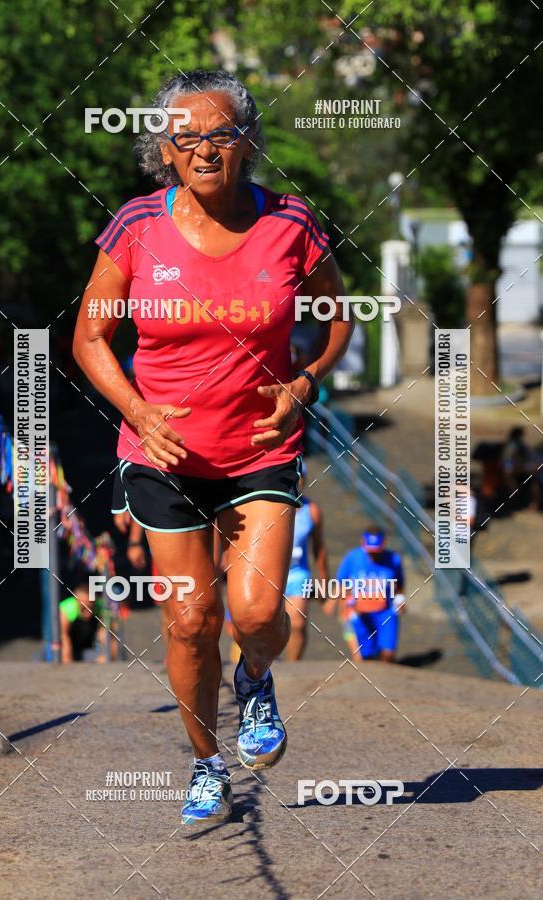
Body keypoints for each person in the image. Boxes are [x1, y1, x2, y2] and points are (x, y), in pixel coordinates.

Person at [73, 69, 353, 825]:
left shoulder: (291, 223)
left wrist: (309, 380)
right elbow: (89, 337)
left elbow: (336, 317)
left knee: (260, 614)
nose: (204, 148)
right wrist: (137, 407)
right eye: (186, 135)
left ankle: (255, 676)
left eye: (221, 133)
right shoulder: (136, 228)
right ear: (164, 149)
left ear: (248, 144)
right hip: (163, 456)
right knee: (190, 620)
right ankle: (206, 765)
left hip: (259, 447)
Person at [336, 526, 405, 662]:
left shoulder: (393, 560)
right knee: (365, 656)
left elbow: (400, 584)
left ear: (384, 544)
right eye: (370, 550)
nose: (372, 554)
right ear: (362, 543)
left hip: (385, 611)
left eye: (376, 551)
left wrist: (400, 598)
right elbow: (342, 584)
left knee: (388, 653)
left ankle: (385, 679)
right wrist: (341, 609)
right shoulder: (353, 558)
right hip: (360, 612)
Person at [284, 463, 328, 661]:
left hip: (297, 574)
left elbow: (319, 549)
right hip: (267, 573)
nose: (297, 480)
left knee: (298, 624)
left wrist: (324, 582)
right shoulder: (270, 508)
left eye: (300, 476)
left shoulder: (312, 511)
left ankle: (293, 667)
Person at [59, 581, 115, 662]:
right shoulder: (67, 608)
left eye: (91, 605)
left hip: (87, 650)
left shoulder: (101, 606)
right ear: (76, 601)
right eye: (83, 607)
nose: (87, 610)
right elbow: (63, 637)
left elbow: (110, 637)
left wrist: (109, 658)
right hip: (64, 649)